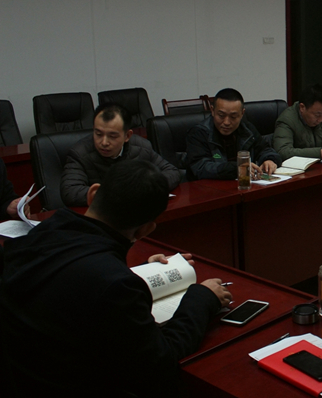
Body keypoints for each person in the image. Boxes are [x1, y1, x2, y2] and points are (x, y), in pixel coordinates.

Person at [0, 160, 231, 397]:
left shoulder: (38, 235)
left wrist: (137, 270)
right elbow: (160, 361)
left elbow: (69, 281)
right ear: (145, 230)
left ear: (93, 193)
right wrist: (201, 299)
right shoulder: (115, 284)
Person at [61, 102, 181, 206]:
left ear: (127, 135)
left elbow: (172, 172)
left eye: (112, 136)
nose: (104, 142)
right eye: (98, 134)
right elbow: (70, 192)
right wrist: (120, 193)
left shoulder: (141, 147)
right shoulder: (80, 153)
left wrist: (145, 186)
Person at [185, 88, 281, 181]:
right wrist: (237, 168)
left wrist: (269, 160)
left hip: (244, 185)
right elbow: (200, 168)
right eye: (221, 116)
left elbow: (265, 149)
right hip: (208, 188)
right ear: (212, 110)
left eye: (233, 117)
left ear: (242, 113)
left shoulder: (247, 129)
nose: (226, 122)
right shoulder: (199, 133)